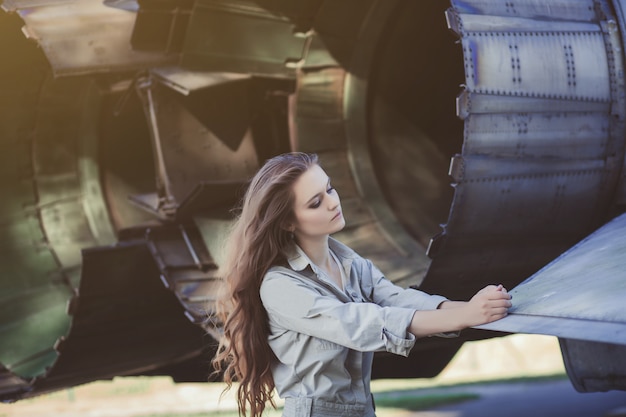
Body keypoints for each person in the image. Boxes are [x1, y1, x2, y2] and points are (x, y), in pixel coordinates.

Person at [212, 152, 512, 417]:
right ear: (288, 222)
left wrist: (473, 308)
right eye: (316, 202)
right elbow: (360, 324)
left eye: (330, 188)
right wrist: (466, 315)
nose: (333, 203)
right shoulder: (280, 286)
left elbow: (395, 298)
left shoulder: (347, 261)